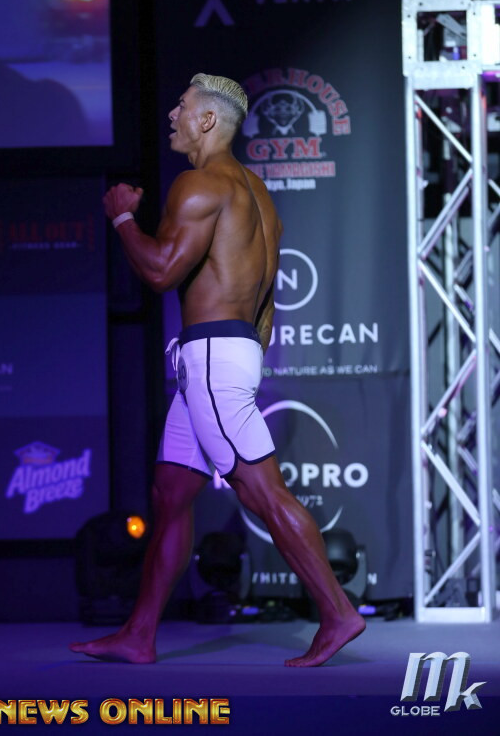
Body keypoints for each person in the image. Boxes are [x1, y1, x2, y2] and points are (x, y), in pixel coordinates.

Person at [70, 73, 365, 667]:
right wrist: (242, 358)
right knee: (171, 492)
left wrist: (123, 219)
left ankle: (338, 613)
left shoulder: (199, 184)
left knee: (263, 491)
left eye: (181, 106)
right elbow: (267, 302)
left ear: (207, 120)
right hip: (220, 355)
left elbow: (161, 272)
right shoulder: (258, 194)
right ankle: (139, 634)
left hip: (210, 359)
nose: (172, 115)